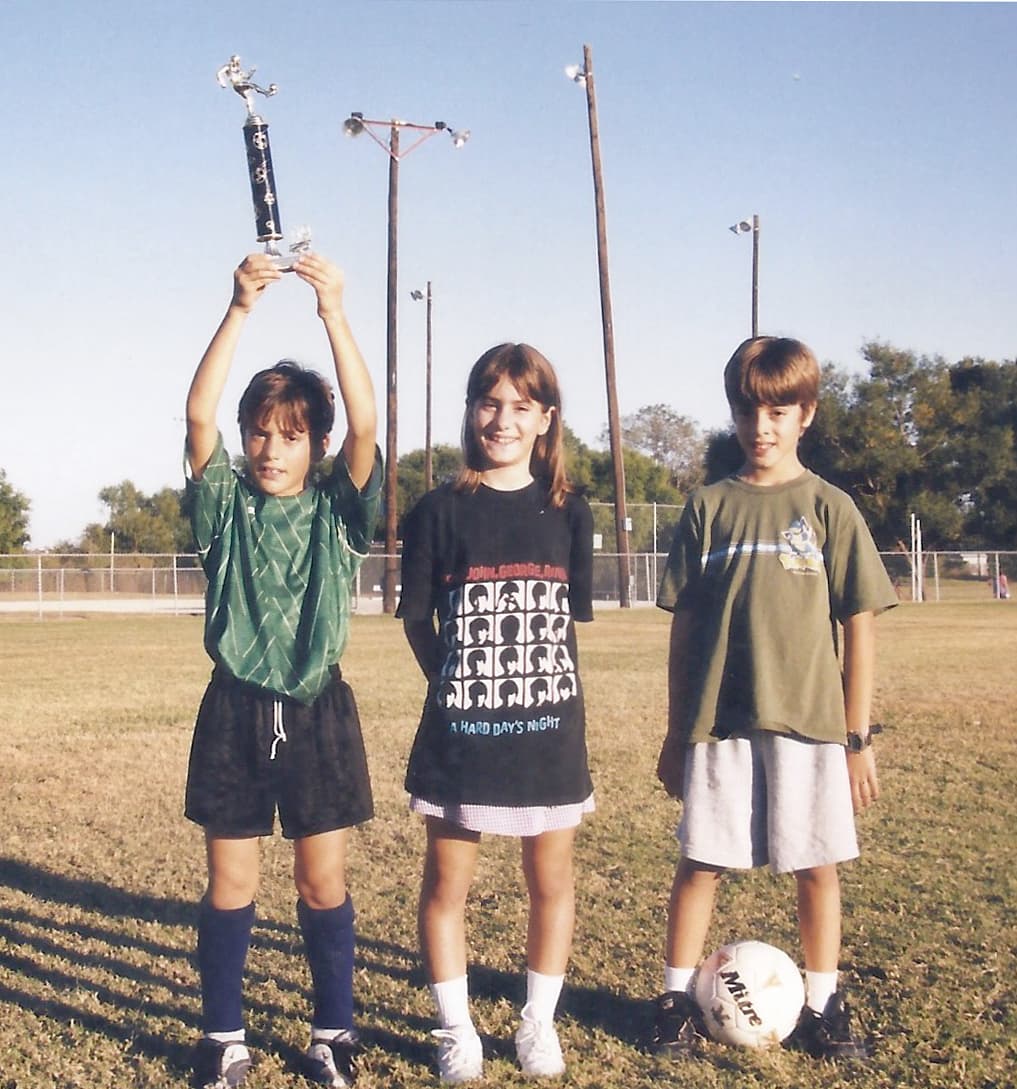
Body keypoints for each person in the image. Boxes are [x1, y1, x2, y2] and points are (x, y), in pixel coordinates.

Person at [652, 336, 898, 1062]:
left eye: (778, 409)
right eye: (747, 408)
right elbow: (685, 630)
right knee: (701, 860)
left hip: (810, 723)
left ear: (805, 414)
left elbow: (857, 628)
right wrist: (674, 732)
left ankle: (822, 1006)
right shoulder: (707, 507)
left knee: (815, 865)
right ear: (733, 413)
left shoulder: (829, 507)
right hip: (719, 723)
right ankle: (671, 1001)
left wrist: (855, 737)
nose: (761, 425)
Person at [183, 252, 382, 1089]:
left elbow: (368, 429)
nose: (270, 447)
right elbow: (198, 418)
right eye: (260, 430)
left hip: (316, 711)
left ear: (317, 444)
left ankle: (332, 1033)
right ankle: (223, 1038)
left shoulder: (339, 509)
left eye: (291, 435)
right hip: (233, 709)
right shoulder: (225, 505)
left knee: (319, 874)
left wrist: (333, 311)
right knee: (231, 879)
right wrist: (238, 308)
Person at [397, 343, 595, 1083]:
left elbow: (565, 623)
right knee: (446, 886)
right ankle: (457, 1031)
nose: (501, 419)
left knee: (551, 882)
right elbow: (420, 623)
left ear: (545, 418)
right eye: (489, 401)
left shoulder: (568, 513)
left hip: (548, 738)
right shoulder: (437, 512)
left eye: (520, 406)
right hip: (463, 739)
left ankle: (536, 1022)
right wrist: (456, 684)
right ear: (470, 408)